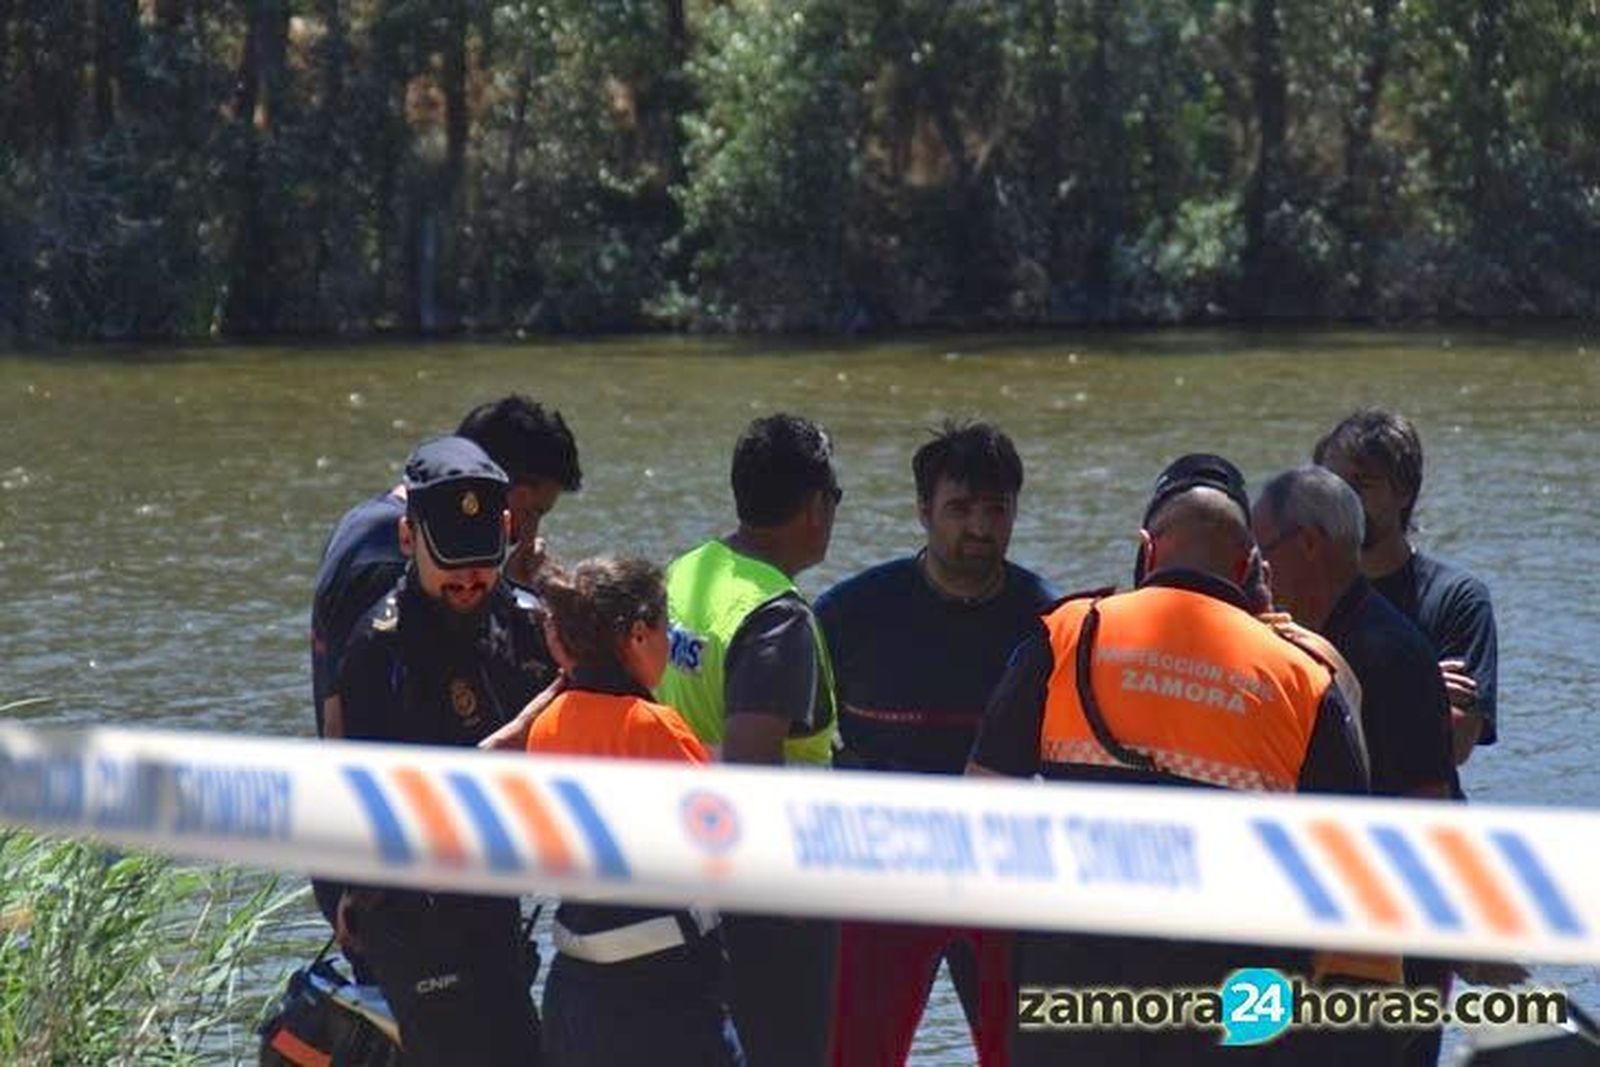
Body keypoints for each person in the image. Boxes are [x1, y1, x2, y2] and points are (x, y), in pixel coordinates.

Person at [968, 453, 1369, 1066]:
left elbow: (982, 802)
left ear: (1146, 550)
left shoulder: (1071, 633)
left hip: (1074, 976)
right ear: (1249, 567)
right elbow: (1346, 864)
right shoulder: (1303, 678)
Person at [815, 421, 1056, 1067]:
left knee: (1022, 1053)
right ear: (923, 510)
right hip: (883, 865)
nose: (979, 527)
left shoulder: (1046, 621)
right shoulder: (850, 612)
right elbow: (798, 740)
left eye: (995, 509)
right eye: (959, 508)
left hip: (1001, 869)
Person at [332, 436, 550, 1067]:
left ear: (507, 530)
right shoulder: (381, 648)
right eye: (450, 560)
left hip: (498, 893)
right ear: (407, 539)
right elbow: (365, 792)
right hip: (414, 910)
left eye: (482, 558)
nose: (469, 578)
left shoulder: (526, 622)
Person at [1254, 466, 1462, 1065]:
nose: (1257, 569)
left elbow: (1428, 809)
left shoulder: (1385, 652)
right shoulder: (1303, 641)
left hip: (1391, 946)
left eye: (1262, 549)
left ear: (1310, 544)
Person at [655, 413, 841, 1067]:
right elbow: (752, 771)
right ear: (816, 506)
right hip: (766, 900)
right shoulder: (776, 618)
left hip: (682, 877)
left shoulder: (684, 574)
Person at [528, 557, 742, 1067]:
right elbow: (722, 849)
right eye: (666, 628)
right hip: (664, 990)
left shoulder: (548, 724)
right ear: (641, 634)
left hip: (576, 984)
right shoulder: (655, 727)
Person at [312, 394, 582, 741]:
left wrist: (509, 596)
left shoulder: (372, 526)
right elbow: (342, 714)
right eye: (530, 512)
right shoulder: (382, 553)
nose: (529, 534)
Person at [1313, 409, 1498, 768]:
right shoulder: (1297, 587)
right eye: (1331, 484)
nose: (1340, 499)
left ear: (1405, 491)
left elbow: (1456, 744)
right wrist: (1420, 689)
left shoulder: (1458, 598)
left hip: (1414, 814)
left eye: (1360, 484)